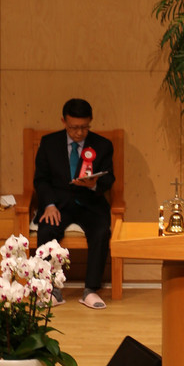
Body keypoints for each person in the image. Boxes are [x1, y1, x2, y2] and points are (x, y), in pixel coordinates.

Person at [33, 98, 114, 310]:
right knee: (46, 230)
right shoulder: (49, 143)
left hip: (90, 203)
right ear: (63, 121)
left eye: (84, 127)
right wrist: (49, 204)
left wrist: (94, 184)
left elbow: (109, 179)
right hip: (58, 205)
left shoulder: (103, 146)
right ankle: (51, 289)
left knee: (101, 232)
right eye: (74, 127)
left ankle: (90, 290)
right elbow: (41, 179)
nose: (79, 133)